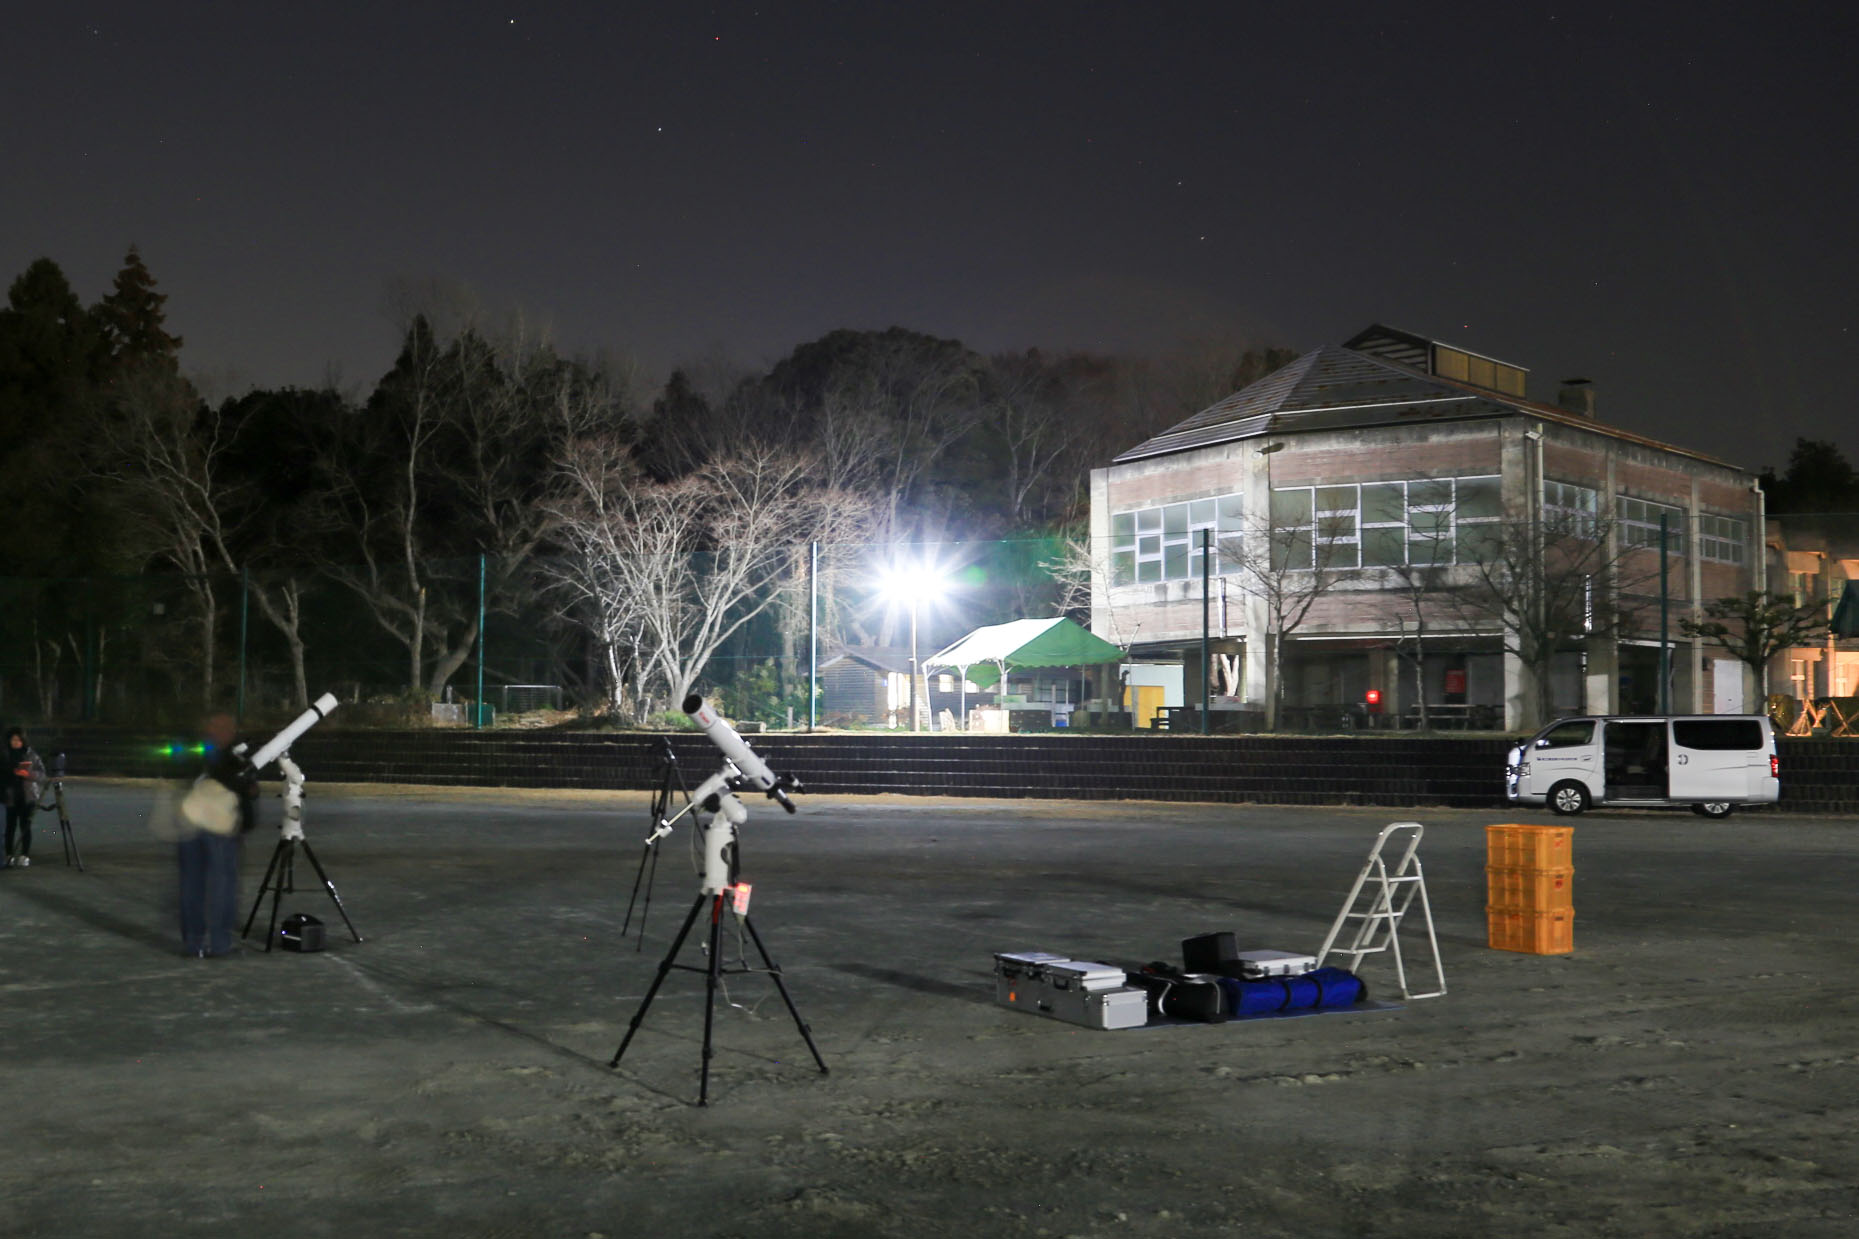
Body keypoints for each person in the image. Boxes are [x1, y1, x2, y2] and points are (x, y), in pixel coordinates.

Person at [176, 713, 259, 956]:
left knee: (192, 887)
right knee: (222, 887)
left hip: (189, 823)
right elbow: (236, 783)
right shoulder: (224, 757)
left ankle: (193, 944)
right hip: (217, 829)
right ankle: (220, 945)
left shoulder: (200, 751)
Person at [3, 727, 47, 868]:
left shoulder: (31, 755)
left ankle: (24, 855)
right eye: (13, 740)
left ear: (23, 741)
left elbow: (42, 775)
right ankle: (8, 854)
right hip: (10, 796)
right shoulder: (5, 755)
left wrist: (28, 775)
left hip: (27, 797)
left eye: (18, 740)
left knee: (25, 827)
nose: (15, 742)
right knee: (10, 827)